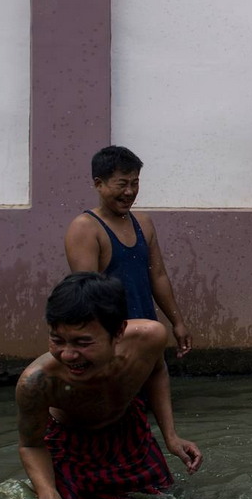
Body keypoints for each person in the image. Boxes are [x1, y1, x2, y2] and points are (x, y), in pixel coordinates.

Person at [15, 272, 203, 499]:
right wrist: (48, 496)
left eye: (82, 343)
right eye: (57, 340)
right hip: (70, 445)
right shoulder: (37, 381)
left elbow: (157, 370)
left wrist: (171, 436)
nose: (67, 355)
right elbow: (30, 445)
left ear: (117, 333)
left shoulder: (150, 337)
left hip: (128, 430)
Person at [65, 146, 193, 358]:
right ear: (99, 184)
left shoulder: (144, 223)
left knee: (155, 387)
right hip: (112, 341)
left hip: (148, 333)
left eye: (135, 183)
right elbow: (88, 296)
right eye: (122, 184)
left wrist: (177, 322)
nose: (129, 192)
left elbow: (158, 276)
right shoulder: (85, 228)